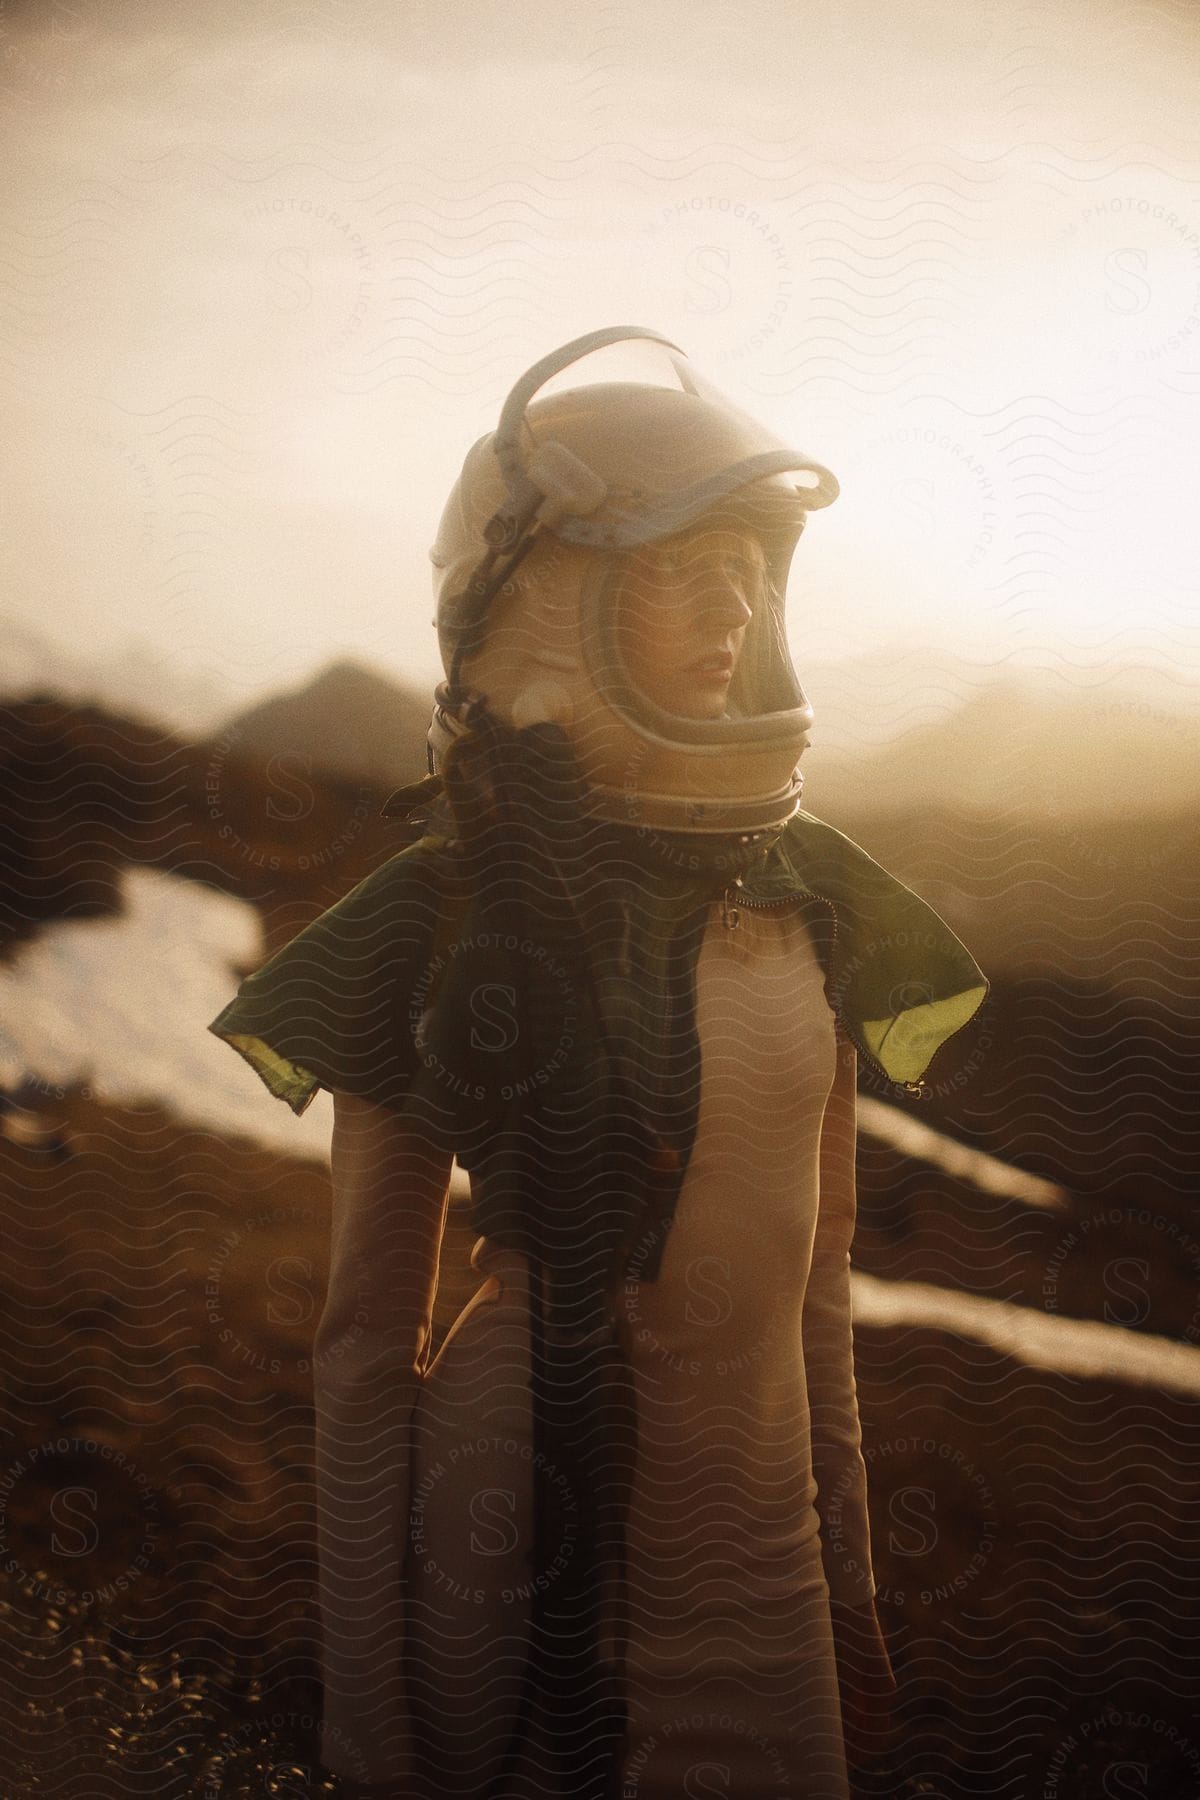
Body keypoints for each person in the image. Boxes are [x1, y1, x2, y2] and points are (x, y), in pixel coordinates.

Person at [207, 326, 990, 1799]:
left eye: (750, 562)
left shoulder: (809, 891)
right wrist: (368, 1737)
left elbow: (813, 1285)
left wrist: (851, 1596)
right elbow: (368, 1350)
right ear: (547, 604)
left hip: (753, 1555)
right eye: (679, 564)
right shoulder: (440, 911)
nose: (740, 596)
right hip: (513, 1531)